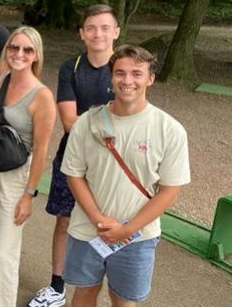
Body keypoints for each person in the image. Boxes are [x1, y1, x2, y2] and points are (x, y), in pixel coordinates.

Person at [61, 45, 190, 306]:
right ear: (111, 77)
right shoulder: (87, 123)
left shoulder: (170, 130)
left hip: (138, 236)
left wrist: (128, 229)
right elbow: (74, 175)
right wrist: (99, 220)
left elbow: (170, 190)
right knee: (84, 292)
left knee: (124, 300)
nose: (127, 81)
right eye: (120, 73)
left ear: (150, 79)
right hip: (88, 230)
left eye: (136, 74)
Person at [29, 4, 120, 307]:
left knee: (106, 224)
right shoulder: (73, 68)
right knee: (65, 222)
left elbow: (131, 120)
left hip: (113, 165)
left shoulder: (125, 68)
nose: (98, 34)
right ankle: (57, 286)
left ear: (116, 32)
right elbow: (69, 122)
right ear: (82, 33)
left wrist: (93, 120)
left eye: (105, 27)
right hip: (73, 161)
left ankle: (99, 289)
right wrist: (109, 120)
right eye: (91, 27)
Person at [0, 27, 57, 307]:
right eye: (14, 48)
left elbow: (42, 150)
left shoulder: (42, 96)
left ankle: (3, 302)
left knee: (6, 249)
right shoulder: (1, 80)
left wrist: (29, 195)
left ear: (36, 55)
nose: (19, 54)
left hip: (16, 175)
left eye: (27, 50)